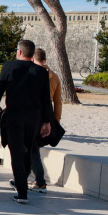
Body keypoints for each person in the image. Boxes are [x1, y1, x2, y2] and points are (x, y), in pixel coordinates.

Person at [0, 40, 53, 204]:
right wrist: (47, 121)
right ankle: (21, 183)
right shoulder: (41, 72)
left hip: (14, 115)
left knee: (16, 152)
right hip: (34, 118)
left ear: (19, 52)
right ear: (32, 54)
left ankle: (22, 190)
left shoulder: (9, 67)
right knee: (28, 150)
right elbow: (46, 99)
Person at [30, 48, 62, 192]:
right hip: (47, 116)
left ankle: (40, 180)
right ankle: (33, 179)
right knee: (32, 147)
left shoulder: (33, 73)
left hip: (34, 114)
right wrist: (56, 121)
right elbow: (58, 102)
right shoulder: (54, 77)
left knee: (32, 148)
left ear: (33, 59)